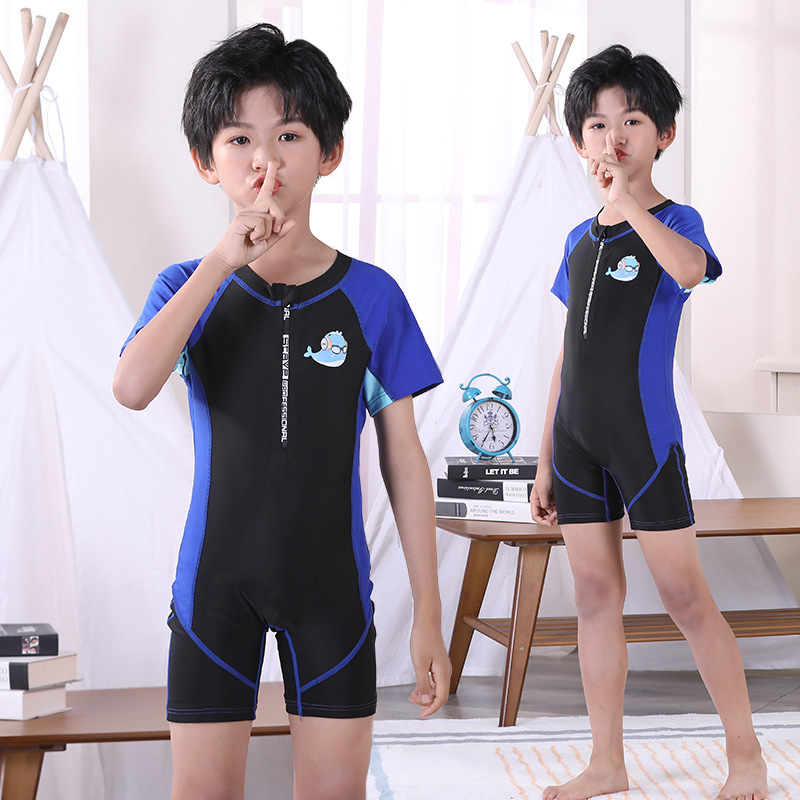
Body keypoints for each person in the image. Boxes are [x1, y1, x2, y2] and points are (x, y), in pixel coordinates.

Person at [113, 23, 450, 800]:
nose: (265, 159)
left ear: (329, 152)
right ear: (206, 162)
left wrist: (429, 614)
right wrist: (222, 260)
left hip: (333, 594)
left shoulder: (372, 297)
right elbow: (131, 387)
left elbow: (405, 462)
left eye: (289, 135)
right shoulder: (185, 287)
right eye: (240, 139)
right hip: (214, 591)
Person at [530, 45, 767, 800]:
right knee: (595, 599)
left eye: (631, 121)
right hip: (577, 443)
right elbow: (567, 356)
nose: (614, 138)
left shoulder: (675, 222)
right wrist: (544, 457)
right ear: (580, 142)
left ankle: (746, 756)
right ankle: (607, 763)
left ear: (662, 133)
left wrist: (629, 201)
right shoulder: (577, 240)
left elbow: (691, 272)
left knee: (686, 598)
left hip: (645, 439)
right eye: (598, 125)